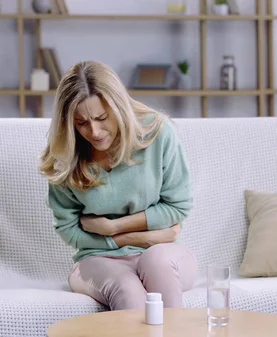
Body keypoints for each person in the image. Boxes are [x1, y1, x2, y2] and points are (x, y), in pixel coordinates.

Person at [38, 60, 198, 311]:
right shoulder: (66, 155)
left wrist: (114, 227)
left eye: (102, 117)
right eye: (81, 122)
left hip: (162, 251)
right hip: (97, 260)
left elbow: (177, 207)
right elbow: (69, 229)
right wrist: (130, 240)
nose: (95, 131)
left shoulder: (158, 133)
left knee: (157, 263)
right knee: (127, 288)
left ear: (119, 107)